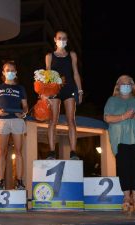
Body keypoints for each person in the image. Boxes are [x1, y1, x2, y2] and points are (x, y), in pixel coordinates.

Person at [104, 75, 135, 212]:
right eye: (122, 83)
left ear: (132, 85)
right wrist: (123, 117)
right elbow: (107, 117)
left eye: (128, 83)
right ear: (117, 86)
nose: (125, 85)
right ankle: (126, 197)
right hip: (120, 139)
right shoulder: (112, 100)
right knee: (123, 168)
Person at [0, 61, 28, 190]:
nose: (10, 72)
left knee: (18, 151)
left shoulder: (20, 88)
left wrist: (22, 114)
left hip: (17, 121)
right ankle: (0, 181)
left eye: (12, 70)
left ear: (16, 72)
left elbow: (25, 107)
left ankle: (19, 181)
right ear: (3, 72)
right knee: (2, 151)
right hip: (2, 121)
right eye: (7, 70)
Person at [45, 30, 83, 160]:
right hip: (55, 90)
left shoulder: (72, 55)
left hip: (69, 89)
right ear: (55, 40)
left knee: (71, 120)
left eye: (64, 38)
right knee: (52, 120)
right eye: (59, 38)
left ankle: (73, 152)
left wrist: (80, 90)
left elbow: (76, 73)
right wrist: (46, 93)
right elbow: (47, 76)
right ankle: (51, 152)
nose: (62, 40)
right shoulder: (49, 56)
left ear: (67, 40)